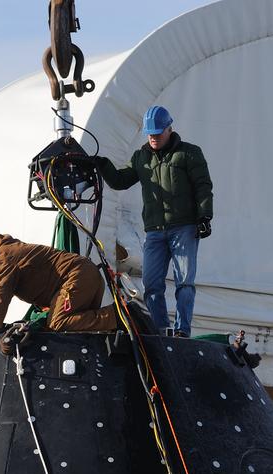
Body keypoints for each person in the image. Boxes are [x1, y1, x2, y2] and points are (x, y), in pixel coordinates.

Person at [94, 105, 213, 337]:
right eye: (150, 134)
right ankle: (159, 330)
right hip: (155, 232)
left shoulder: (189, 153)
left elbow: (203, 186)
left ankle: (182, 331)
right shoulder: (141, 157)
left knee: (184, 283)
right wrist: (103, 165)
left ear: (170, 129)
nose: (154, 138)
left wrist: (204, 215)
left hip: (184, 228)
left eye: (158, 133)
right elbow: (120, 181)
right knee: (151, 284)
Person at [0, 230, 119, 349]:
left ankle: (119, 316)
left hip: (77, 278)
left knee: (58, 323)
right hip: (84, 277)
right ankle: (123, 324)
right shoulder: (5, 253)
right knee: (79, 328)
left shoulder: (3, 257)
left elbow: (0, 296)